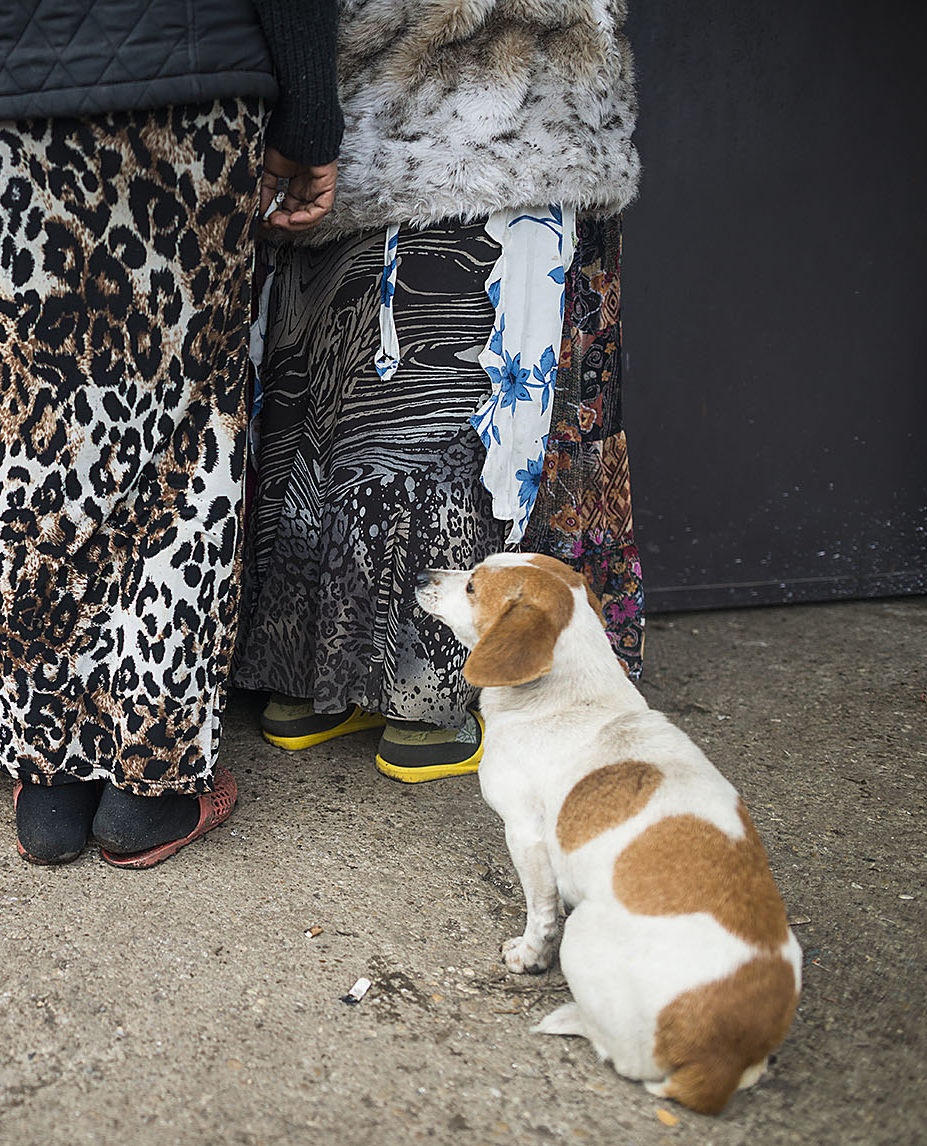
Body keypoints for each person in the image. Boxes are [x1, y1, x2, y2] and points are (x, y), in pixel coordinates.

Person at [0, 0, 343, 866]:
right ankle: (146, 787)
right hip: (182, 95)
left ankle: (47, 778)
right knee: (178, 439)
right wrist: (309, 118)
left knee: (22, 436)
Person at [233, 0, 644, 780]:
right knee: (473, 410)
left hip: (347, 117)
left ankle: (308, 685)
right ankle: (423, 707)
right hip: (516, 120)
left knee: (325, 398)